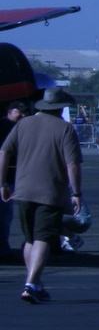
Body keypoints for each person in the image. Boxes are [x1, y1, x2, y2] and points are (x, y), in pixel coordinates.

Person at [0, 89, 85, 303]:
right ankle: (32, 284)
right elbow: (72, 163)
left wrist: (2, 183)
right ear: (60, 107)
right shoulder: (65, 128)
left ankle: (35, 283)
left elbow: (4, 151)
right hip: (50, 191)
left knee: (30, 239)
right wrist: (76, 192)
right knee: (44, 237)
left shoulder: (23, 124)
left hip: (23, 189)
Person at [0, 100, 26, 258]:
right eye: (19, 111)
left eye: (24, 112)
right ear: (9, 111)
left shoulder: (17, 126)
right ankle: (2, 248)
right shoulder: (5, 127)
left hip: (12, 177)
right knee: (4, 215)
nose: (22, 115)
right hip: (6, 178)